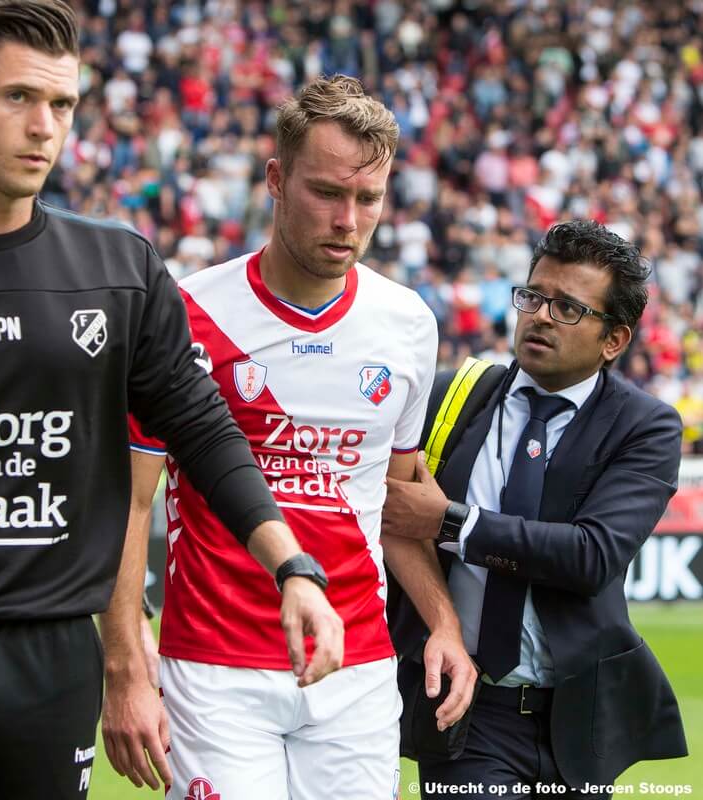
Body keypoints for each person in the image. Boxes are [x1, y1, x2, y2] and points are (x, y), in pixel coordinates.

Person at [0, 3, 344, 798]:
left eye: (61, 104)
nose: (44, 127)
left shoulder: (118, 266)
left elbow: (202, 429)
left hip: (55, 655)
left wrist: (292, 567)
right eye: (19, 98)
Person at [100, 75, 478, 800]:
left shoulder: (406, 325)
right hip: (214, 665)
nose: (347, 219)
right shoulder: (186, 310)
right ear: (275, 179)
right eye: (326, 193)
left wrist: (442, 623)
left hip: (358, 665)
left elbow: (397, 510)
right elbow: (130, 500)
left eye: (367, 199)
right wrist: (123, 660)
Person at [383, 220, 687, 799]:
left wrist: (451, 521)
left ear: (614, 341)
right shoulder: (451, 395)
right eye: (535, 296)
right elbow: (394, 517)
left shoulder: (645, 426)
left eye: (569, 308)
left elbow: (591, 555)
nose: (542, 316)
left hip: (581, 716)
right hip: (467, 707)